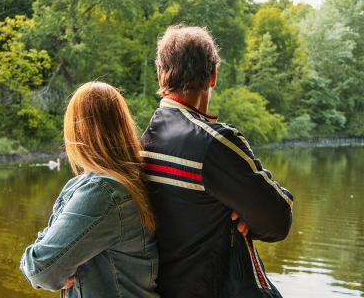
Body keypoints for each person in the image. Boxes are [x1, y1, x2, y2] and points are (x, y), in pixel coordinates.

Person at [141, 25, 293, 298]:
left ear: (160, 74)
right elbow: (279, 220)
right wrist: (248, 210)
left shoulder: (140, 146)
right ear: (213, 75)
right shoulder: (215, 143)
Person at [20, 82, 159, 298]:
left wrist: (49, 263)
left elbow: (41, 269)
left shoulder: (104, 193)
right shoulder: (122, 180)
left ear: (75, 130)